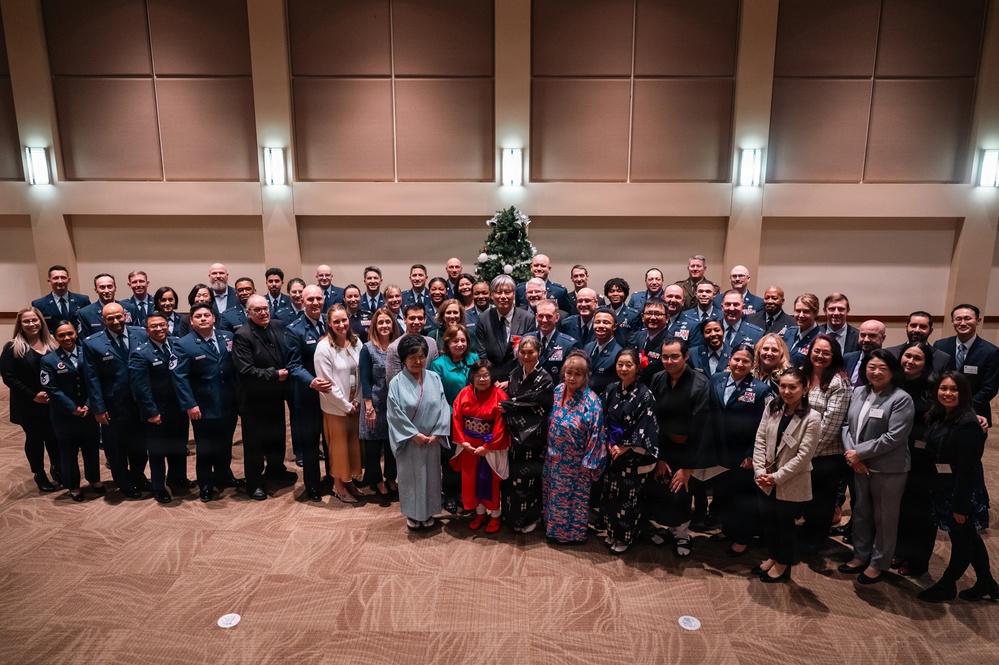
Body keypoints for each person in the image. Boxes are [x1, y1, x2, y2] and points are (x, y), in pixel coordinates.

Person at [917, 372, 998, 602]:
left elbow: (967, 468)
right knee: (968, 536)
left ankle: (947, 584)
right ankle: (986, 582)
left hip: (961, 490)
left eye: (954, 390)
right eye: (943, 389)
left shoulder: (968, 423)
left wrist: (960, 504)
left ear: (964, 394)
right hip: (945, 485)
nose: (948, 393)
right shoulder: (940, 415)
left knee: (961, 538)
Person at [839, 349, 915, 584]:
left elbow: (894, 437)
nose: (876, 372)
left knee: (885, 518)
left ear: (892, 371)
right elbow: (845, 426)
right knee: (861, 512)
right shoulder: (859, 391)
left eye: (883, 368)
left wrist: (858, 453)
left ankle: (879, 562)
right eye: (872, 367)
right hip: (859, 466)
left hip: (888, 468)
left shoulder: (901, 398)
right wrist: (854, 456)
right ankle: (861, 554)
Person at [752, 367, 821, 582]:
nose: (787, 391)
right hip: (765, 478)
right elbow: (760, 439)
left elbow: (803, 456)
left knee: (784, 524)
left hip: (790, 480)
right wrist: (760, 471)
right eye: (783, 386)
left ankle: (783, 563)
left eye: (793, 387)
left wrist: (776, 477)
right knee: (768, 521)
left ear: (804, 388)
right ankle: (773, 556)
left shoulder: (812, 417)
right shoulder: (773, 406)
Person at [170, 303, 243, 502]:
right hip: (202, 406)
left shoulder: (227, 337)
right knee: (205, 448)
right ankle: (206, 484)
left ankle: (223, 475)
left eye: (207, 315)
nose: (203, 319)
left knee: (225, 443)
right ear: (191, 321)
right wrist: (189, 404)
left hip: (228, 402)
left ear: (214, 318)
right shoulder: (183, 344)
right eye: (198, 316)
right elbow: (180, 378)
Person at [646, 337, 712, 558]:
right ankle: (663, 529)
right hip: (662, 446)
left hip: (687, 449)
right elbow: (652, 418)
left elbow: (701, 428)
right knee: (660, 489)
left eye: (675, 356)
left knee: (681, 492)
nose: (669, 361)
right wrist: (659, 457)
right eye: (665, 356)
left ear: (686, 356)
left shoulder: (701, 384)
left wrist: (687, 467)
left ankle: (682, 534)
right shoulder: (657, 378)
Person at [81, 302, 148, 499]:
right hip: (112, 405)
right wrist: (98, 408)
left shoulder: (141, 334)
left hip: (139, 403)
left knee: (139, 445)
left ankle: (138, 476)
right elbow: (91, 379)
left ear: (125, 316)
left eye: (119, 316)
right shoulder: (93, 343)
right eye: (110, 318)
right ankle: (124, 481)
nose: (116, 321)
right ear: (103, 320)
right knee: (116, 448)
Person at [710, 343, 771, 557]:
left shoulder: (761, 389)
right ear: (729, 359)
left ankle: (743, 537)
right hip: (719, 450)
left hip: (743, 452)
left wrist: (752, 453)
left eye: (745, 360)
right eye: (736, 359)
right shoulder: (716, 379)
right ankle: (728, 529)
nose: (740, 364)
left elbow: (764, 426)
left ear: (752, 364)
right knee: (723, 493)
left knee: (743, 497)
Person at [232, 294, 295, 500]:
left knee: (277, 436)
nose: (263, 312)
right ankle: (254, 482)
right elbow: (246, 370)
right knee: (255, 444)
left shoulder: (278, 326)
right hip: (253, 400)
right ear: (248, 313)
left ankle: (275, 470)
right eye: (257, 310)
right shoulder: (242, 335)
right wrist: (275, 374)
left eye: (265, 308)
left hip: (275, 396)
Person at [387, 334, 452, 530]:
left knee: (431, 476)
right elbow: (394, 414)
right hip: (410, 441)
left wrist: (438, 433)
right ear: (404, 359)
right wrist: (413, 435)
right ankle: (412, 514)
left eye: (422, 356)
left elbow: (442, 406)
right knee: (410, 477)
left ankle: (429, 511)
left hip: (431, 439)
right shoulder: (396, 383)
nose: (418, 361)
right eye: (412, 357)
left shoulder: (434, 378)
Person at [599, 348, 660, 553]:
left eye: (629, 365)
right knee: (610, 494)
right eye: (620, 364)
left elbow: (645, 424)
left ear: (637, 367)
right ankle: (611, 532)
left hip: (633, 453)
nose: (624, 369)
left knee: (628, 497)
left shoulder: (645, 394)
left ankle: (625, 537)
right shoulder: (610, 389)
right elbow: (603, 419)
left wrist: (625, 445)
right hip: (612, 450)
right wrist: (609, 442)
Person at [543, 351, 607, 544]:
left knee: (573, 500)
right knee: (553, 496)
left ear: (585, 376)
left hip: (577, 462)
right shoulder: (557, 391)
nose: (572, 378)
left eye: (577, 374)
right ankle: (552, 530)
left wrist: (589, 463)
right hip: (553, 458)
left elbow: (597, 435)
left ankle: (572, 535)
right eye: (569, 373)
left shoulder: (592, 401)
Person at [129, 311, 193, 504]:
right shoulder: (140, 353)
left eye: (162, 325)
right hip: (157, 411)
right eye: (154, 326)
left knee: (179, 446)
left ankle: (177, 478)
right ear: (147, 331)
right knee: (158, 451)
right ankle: (158, 486)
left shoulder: (177, 344)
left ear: (168, 326)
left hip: (179, 408)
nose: (159, 329)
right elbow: (141, 388)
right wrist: (151, 412)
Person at [797, 334, 852, 555]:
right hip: (801, 450)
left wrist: (806, 454)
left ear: (834, 356)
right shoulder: (803, 375)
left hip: (825, 454)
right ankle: (807, 532)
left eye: (826, 353)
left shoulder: (839, 382)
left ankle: (816, 540)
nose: (820, 356)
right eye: (817, 351)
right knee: (807, 497)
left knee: (821, 500)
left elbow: (831, 426)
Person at [40, 321, 104, 501]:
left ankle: (94, 479)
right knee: (68, 452)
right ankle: (73, 486)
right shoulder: (48, 360)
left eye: (70, 333)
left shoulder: (88, 353)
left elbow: (96, 381)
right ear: (55, 337)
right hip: (64, 415)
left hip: (88, 411)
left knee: (91, 448)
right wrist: (73, 408)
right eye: (61, 335)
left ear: (76, 333)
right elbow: (51, 389)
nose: (67, 338)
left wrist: (89, 405)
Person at [1, 307, 60, 492]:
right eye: (26, 321)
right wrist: (33, 395)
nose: (31, 324)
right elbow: (9, 377)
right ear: (20, 325)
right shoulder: (13, 347)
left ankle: (57, 469)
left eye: (35, 320)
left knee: (54, 437)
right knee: (35, 439)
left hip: (52, 402)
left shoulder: (52, 343)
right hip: (28, 403)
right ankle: (39, 474)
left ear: (41, 321)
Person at [498, 336, 553, 533]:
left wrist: (509, 406)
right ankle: (512, 516)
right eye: (523, 352)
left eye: (531, 352)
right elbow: (518, 399)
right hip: (513, 433)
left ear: (539, 353)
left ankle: (531, 518)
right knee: (512, 477)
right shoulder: (514, 373)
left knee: (529, 479)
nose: (527, 356)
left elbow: (536, 403)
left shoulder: (545, 378)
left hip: (533, 435)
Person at [893, 341, 939, 577]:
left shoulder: (934, 387)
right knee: (901, 507)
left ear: (926, 363)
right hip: (897, 453)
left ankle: (919, 561)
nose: (910, 361)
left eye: (917, 358)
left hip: (923, 458)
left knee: (920, 511)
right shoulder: (896, 381)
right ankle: (901, 551)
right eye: (907, 356)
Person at [450, 359, 511, 532]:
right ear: (472, 376)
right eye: (478, 375)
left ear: (492, 377)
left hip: (489, 448)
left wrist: (488, 446)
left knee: (490, 482)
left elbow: (502, 424)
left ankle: (495, 515)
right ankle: (479, 512)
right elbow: (456, 418)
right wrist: (463, 441)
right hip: (469, 447)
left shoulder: (500, 395)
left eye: (486, 375)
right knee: (471, 481)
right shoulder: (464, 393)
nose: (482, 379)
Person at [314, 304, 364, 503]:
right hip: (336, 409)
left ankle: (349, 481)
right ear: (329, 323)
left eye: (344, 320)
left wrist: (358, 401)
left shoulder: (356, 342)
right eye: (336, 321)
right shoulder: (323, 348)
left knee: (353, 447)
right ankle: (339, 485)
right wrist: (346, 405)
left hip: (355, 405)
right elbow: (326, 384)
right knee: (338, 449)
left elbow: (363, 373)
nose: (341, 324)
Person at [285, 285, 330, 501]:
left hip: (331, 396)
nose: (315, 303)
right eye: (310, 299)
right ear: (302, 302)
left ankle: (333, 478)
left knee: (331, 441)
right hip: (308, 396)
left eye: (318, 298)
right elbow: (293, 366)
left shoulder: (331, 323)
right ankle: (312, 486)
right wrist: (312, 382)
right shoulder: (294, 329)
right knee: (311, 445)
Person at [429, 323, 478, 513]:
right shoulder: (438, 365)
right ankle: (450, 494)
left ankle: (465, 494)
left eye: (463, 340)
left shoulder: (474, 359)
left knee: (469, 458)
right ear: (447, 342)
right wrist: (455, 414)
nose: (460, 344)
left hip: (474, 420)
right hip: (449, 418)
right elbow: (437, 396)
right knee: (450, 459)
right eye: (455, 340)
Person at [359, 307, 402, 500]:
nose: (384, 325)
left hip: (394, 403)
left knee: (393, 446)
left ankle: (391, 478)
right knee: (373, 448)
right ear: (375, 326)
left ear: (393, 324)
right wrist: (369, 406)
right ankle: (377, 481)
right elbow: (365, 379)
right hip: (374, 404)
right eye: (381, 322)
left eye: (388, 322)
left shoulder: (398, 346)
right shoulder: (367, 348)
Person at [933, 304, 999, 426]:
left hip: (975, 412)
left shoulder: (991, 351)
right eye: (958, 319)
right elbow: (935, 377)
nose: (963, 323)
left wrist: (964, 407)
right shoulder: (940, 346)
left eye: (968, 318)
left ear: (978, 321)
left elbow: (990, 386)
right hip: (942, 410)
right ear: (952, 322)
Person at [476, 274, 537, 382]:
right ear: (492, 295)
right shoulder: (484, 319)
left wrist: (511, 380)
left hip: (519, 380)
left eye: (507, 292)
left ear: (514, 294)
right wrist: (492, 379)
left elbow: (529, 354)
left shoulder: (527, 319)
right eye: (498, 292)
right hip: (491, 381)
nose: (503, 296)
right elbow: (482, 353)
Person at [385, 303, 439, 385]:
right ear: (404, 319)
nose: (417, 322)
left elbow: (435, 375)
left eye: (420, 318)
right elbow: (392, 382)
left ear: (425, 319)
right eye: (412, 318)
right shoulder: (394, 348)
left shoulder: (432, 343)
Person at [527, 299, 579, 379]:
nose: (544, 320)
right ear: (536, 317)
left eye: (549, 316)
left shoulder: (568, 344)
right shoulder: (527, 339)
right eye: (541, 316)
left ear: (557, 317)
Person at [886, 310, 951, 374]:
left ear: (931, 330)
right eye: (913, 325)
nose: (917, 330)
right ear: (906, 327)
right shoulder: (890, 353)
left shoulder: (943, 358)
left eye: (923, 327)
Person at [32, 264, 91, 333]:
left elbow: (89, 322)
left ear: (68, 280)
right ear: (49, 281)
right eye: (55, 278)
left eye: (63, 277)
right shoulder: (39, 304)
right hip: (53, 342)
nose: (60, 281)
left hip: (79, 341)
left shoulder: (82, 300)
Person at [585, 308, 623, 395]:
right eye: (597, 322)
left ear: (614, 327)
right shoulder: (588, 347)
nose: (601, 326)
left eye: (606, 323)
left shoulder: (618, 354)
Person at [781, 293, 821, 366]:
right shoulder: (789, 332)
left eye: (806, 311)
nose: (801, 315)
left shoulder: (820, 339)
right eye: (798, 311)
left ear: (815, 313)